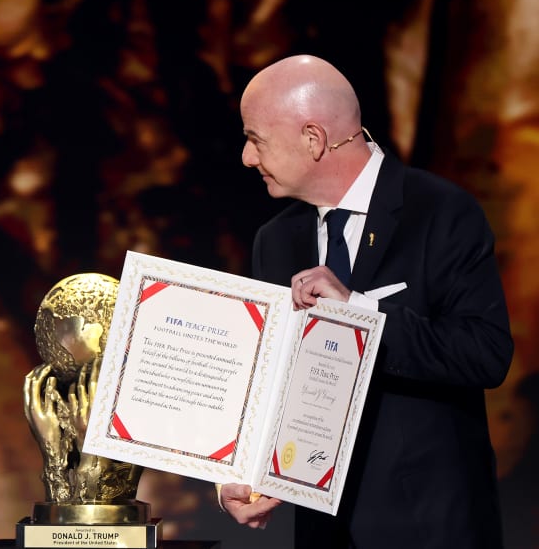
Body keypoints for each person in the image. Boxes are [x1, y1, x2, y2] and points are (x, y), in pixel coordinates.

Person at [219, 54, 514, 548]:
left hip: (430, 529)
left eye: (255, 140)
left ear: (313, 139)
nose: (247, 158)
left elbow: (484, 354)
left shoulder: (441, 211)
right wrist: (242, 473)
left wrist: (357, 313)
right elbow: (270, 384)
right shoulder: (276, 240)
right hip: (323, 534)